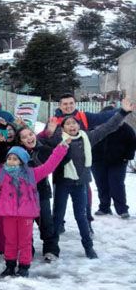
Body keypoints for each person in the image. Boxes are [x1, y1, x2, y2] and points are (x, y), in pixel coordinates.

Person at [46, 102, 132, 259]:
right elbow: (41, 145)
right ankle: (52, 249)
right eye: (68, 124)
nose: (72, 126)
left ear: (79, 126)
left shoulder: (87, 137)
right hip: (63, 183)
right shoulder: (58, 139)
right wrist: (49, 133)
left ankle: (88, 247)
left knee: (82, 216)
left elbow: (107, 127)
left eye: (74, 123)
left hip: (80, 183)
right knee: (57, 216)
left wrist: (123, 113)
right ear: (62, 128)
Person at [0, 137, 68, 277]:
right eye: (9, 158)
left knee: (25, 242)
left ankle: (24, 266)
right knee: (10, 241)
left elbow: (50, 165)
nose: (11, 161)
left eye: (15, 159)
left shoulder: (32, 174)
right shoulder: (1, 173)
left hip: (26, 215)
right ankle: (10, 265)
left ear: (23, 161)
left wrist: (61, 148)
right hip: (8, 214)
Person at [14, 126, 60, 262]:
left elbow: (55, 157)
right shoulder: (17, 154)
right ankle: (28, 249)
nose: (29, 138)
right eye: (24, 137)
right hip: (23, 196)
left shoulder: (44, 149)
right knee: (25, 224)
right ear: (20, 141)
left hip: (42, 193)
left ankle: (51, 249)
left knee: (46, 222)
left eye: (30, 134)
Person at [91, 103, 136, 219]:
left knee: (117, 185)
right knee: (102, 185)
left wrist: (127, 157)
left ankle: (122, 210)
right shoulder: (96, 129)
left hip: (118, 162)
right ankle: (104, 208)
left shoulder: (126, 129)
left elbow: (132, 144)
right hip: (98, 161)